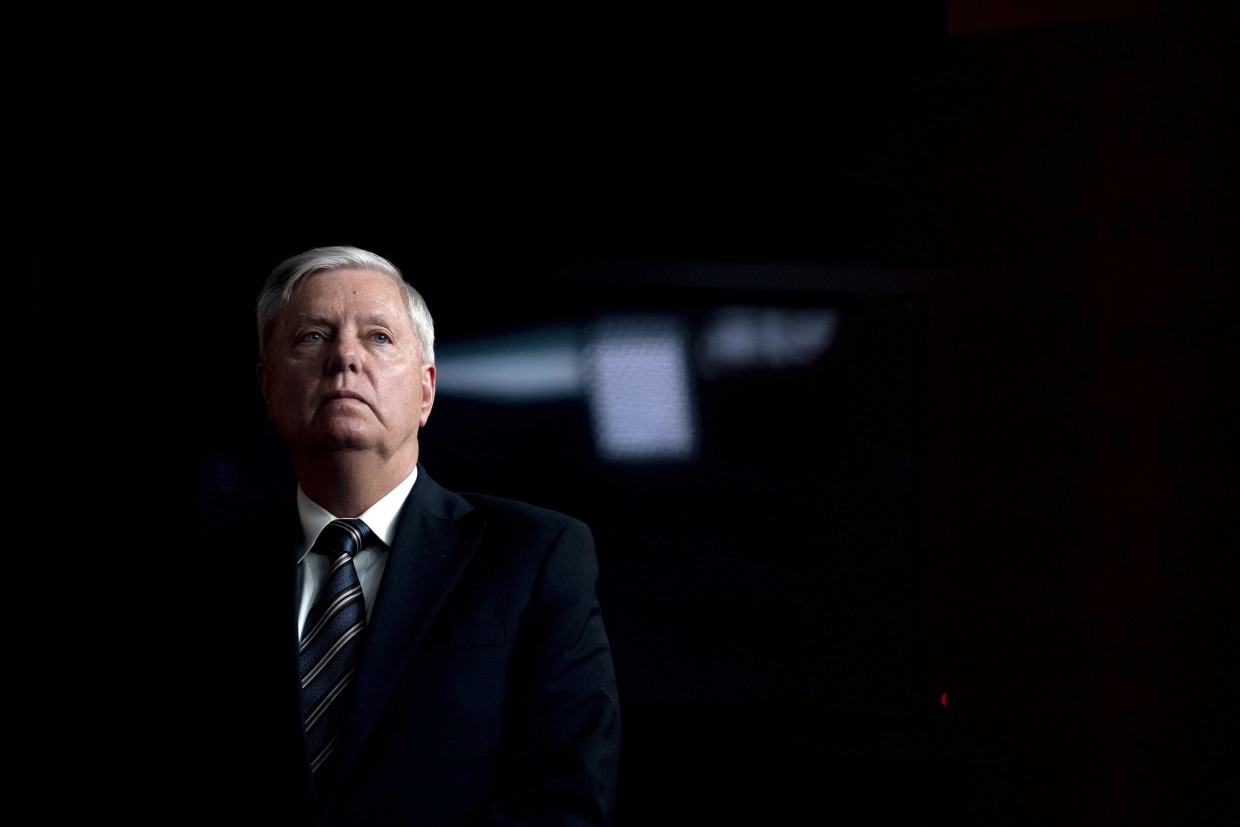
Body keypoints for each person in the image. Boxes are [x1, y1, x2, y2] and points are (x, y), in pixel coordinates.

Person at [189, 245, 621, 826]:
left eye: (378, 337)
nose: (344, 357)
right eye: (313, 336)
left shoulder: (537, 556)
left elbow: (563, 798)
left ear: (426, 390)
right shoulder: (197, 581)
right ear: (267, 388)